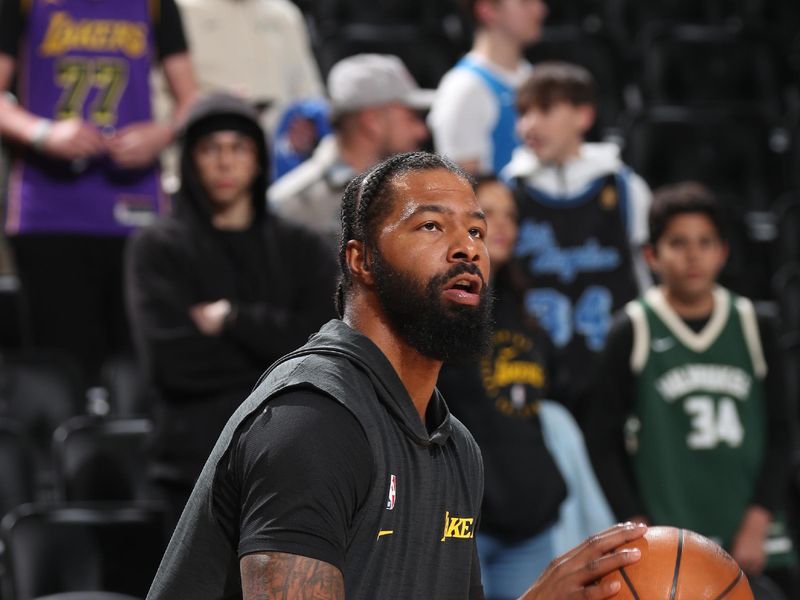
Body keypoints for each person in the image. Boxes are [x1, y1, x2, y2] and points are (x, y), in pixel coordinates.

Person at [145, 151, 646, 599]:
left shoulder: (454, 448)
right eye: (431, 226)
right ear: (360, 260)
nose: (466, 249)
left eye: (477, 231)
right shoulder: (312, 422)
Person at [126, 93, 337, 528]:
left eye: (238, 148)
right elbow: (173, 363)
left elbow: (325, 351)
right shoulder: (157, 248)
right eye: (210, 149)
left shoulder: (302, 247)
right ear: (190, 162)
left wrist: (233, 321)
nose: (225, 162)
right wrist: (280, 352)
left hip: (294, 461)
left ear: (258, 159)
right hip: (192, 467)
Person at [585, 182, 798, 595]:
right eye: (678, 243)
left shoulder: (755, 324)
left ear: (723, 251)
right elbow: (601, 439)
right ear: (651, 255)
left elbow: (782, 431)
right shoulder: (634, 327)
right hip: (670, 533)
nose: (693, 255)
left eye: (705, 242)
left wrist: (759, 520)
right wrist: (636, 522)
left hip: (754, 537)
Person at [0, 0, 197, 387]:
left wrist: (161, 134)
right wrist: (44, 133)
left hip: (136, 211)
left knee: (136, 372)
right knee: (61, 371)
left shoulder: (155, 4)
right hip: (48, 212)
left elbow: (190, 98)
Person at [437, 176, 614, 600]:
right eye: (487, 214)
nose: (502, 225)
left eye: (510, 216)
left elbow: (555, 400)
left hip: (529, 523)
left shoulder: (520, 310)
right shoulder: (437, 310)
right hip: (462, 525)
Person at [501, 61, 652, 417]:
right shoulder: (509, 191)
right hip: (536, 368)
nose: (529, 125)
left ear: (583, 116)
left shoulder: (625, 187)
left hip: (614, 368)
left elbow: (646, 278)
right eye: (523, 113)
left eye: (545, 110)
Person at [268, 53, 431, 249]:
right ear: (372, 122)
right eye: (411, 117)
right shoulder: (293, 206)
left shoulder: (421, 188)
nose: (422, 131)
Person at [428, 0, 548, 175]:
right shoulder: (464, 87)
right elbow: (463, 189)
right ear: (488, 10)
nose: (541, 9)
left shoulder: (530, 75)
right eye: (525, 2)